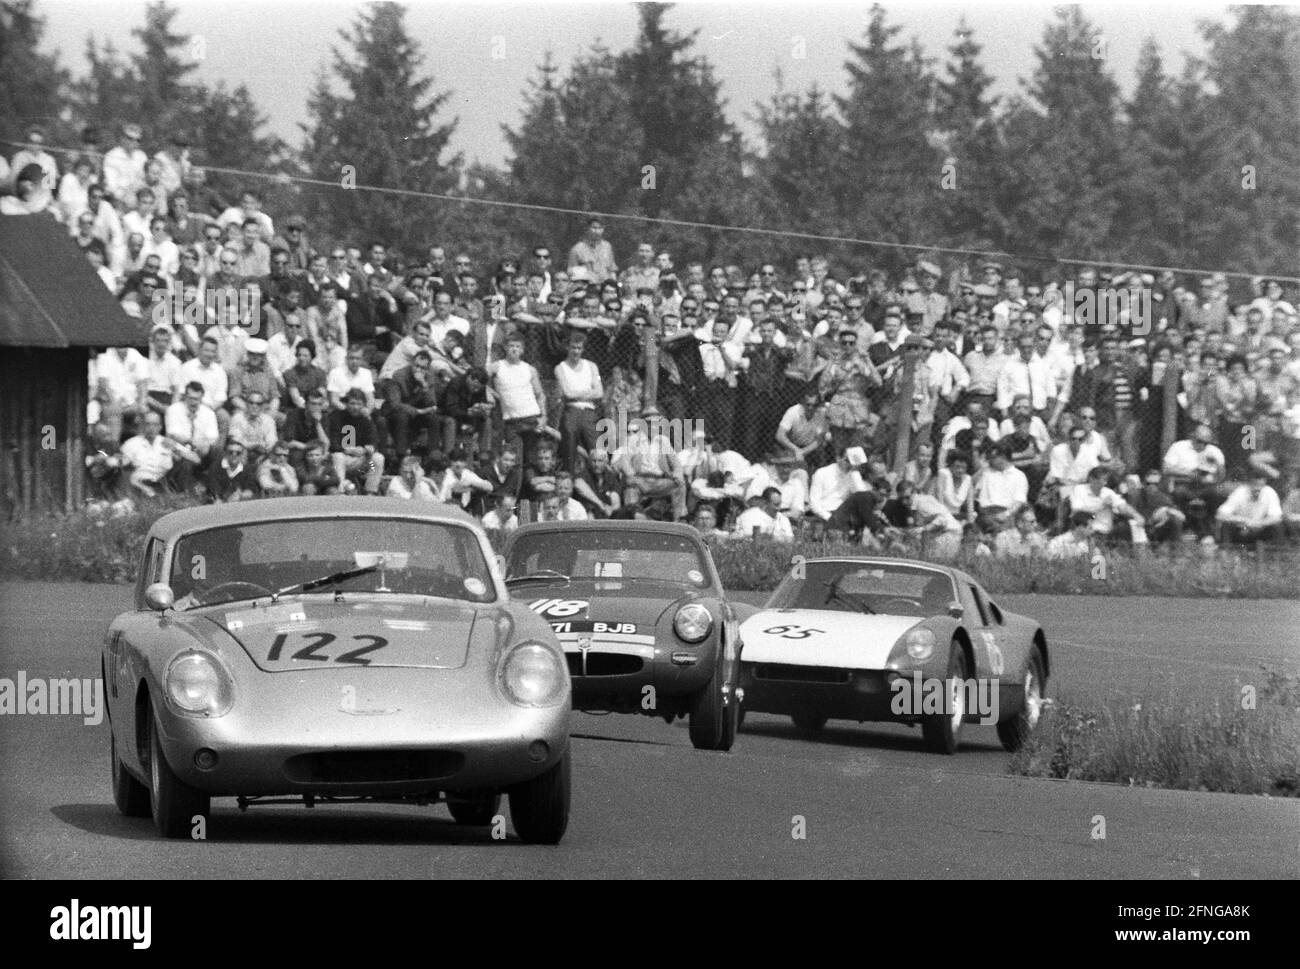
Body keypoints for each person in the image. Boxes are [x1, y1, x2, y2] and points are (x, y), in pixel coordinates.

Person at [327, 388, 385, 494]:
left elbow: (374, 441)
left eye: (359, 404)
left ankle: (370, 492)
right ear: (346, 404)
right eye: (352, 403)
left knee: (378, 458)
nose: (355, 407)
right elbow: (333, 443)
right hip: (341, 462)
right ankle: (340, 491)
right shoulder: (336, 416)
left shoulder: (366, 419)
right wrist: (348, 450)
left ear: (363, 405)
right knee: (337, 456)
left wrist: (367, 450)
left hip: (361, 468)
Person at [1215, 470, 1283, 545]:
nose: (1257, 488)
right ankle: (1226, 553)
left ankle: (1278, 554)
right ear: (1249, 484)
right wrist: (1244, 521)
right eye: (1255, 485)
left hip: (1260, 528)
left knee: (1277, 526)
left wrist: (1259, 523)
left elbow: (1276, 517)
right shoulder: (1240, 492)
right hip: (1241, 528)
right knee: (1226, 525)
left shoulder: (1269, 492)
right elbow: (1220, 515)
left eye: (1261, 485)